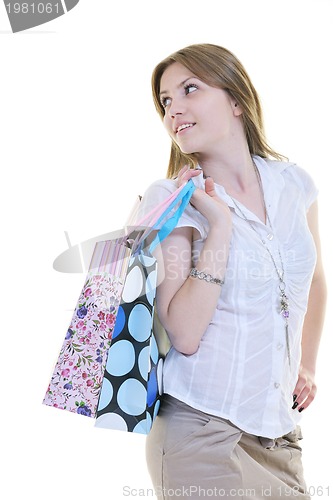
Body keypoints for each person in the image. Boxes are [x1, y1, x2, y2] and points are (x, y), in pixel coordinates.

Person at [139, 44, 326, 500]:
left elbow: (315, 281)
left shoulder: (294, 184)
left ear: (238, 100)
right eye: (165, 101)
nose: (173, 109)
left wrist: (306, 363)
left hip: (279, 436)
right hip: (201, 433)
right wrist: (218, 227)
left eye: (189, 89)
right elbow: (183, 332)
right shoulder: (169, 198)